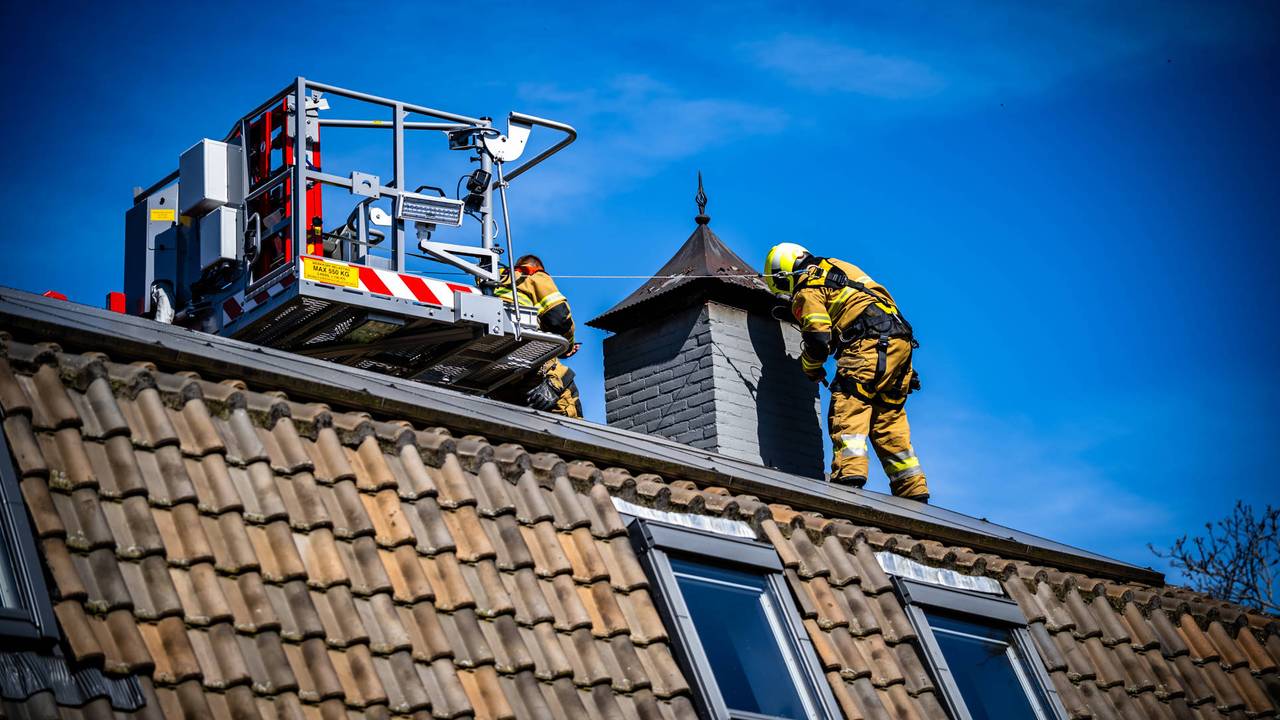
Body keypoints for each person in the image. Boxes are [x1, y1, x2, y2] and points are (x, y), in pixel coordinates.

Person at [763, 243, 930, 502]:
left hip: (869, 344)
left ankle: (847, 479)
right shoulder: (838, 268)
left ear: (784, 276)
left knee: (850, 402)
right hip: (900, 348)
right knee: (889, 420)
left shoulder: (808, 287)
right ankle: (913, 491)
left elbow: (818, 339)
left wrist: (810, 367)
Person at [492, 254, 583, 417]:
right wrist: (567, 347)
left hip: (498, 368)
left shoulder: (495, 280)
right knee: (563, 382)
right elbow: (559, 319)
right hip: (530, 357)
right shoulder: (534, 276)